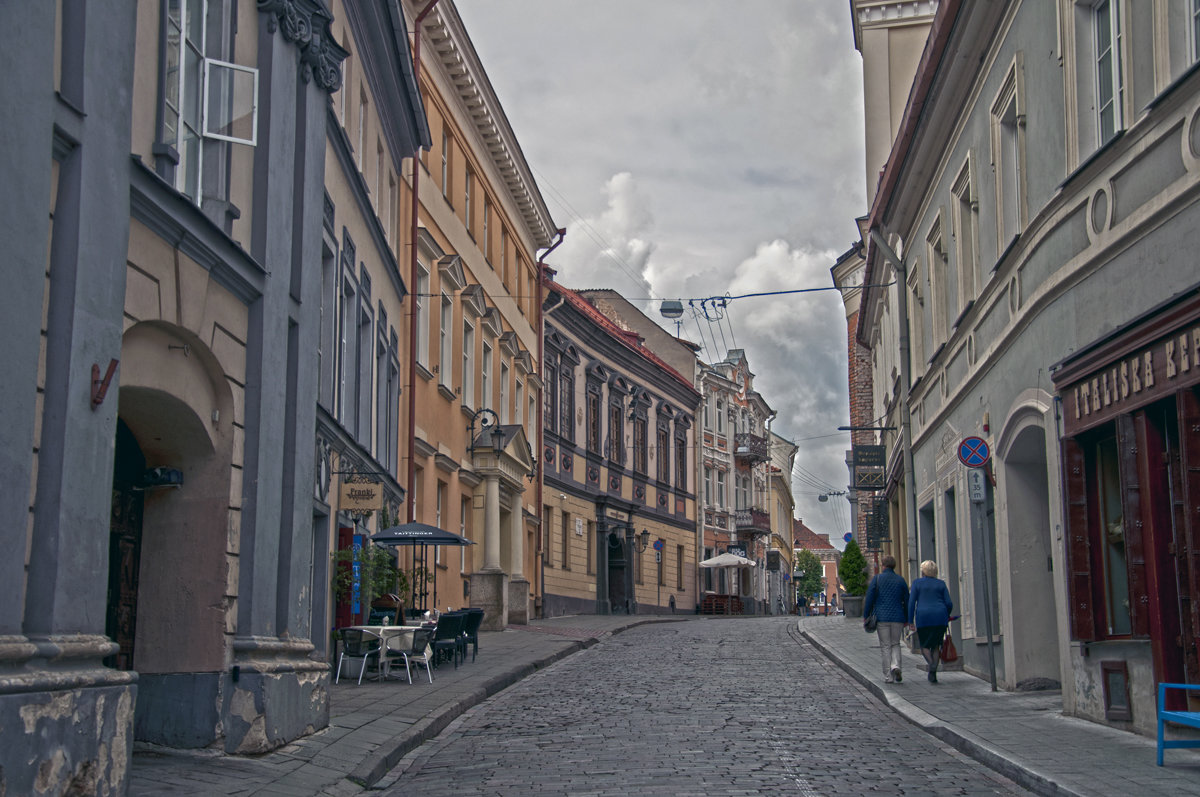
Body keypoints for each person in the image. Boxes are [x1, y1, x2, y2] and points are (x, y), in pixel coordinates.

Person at [862, 555, 909, 684]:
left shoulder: (877, 579)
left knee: (885, 646)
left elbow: (869, 598)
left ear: (883, 566)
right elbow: (907, 600)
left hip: (882, 618)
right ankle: (896, 666)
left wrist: (866, 615)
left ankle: (888, 676)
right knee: (895, 643)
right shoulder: (900, 580)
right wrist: (907, 618)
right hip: (898, 617)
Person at [908, 559, 954, 683]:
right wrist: (946, 614)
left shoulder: (917, 583)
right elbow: (949, 603)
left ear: (923, 571)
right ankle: (933, 667)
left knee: (924, 645)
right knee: (936, 644)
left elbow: (911, 603)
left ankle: (932, 665)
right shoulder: (941, 584)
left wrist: (910, 621)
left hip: (923, 617)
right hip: (940, 617)